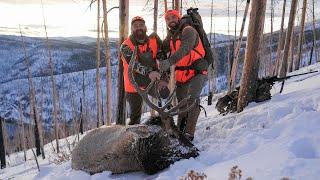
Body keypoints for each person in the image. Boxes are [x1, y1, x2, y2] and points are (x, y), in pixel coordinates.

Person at [159, 10, 208, 141]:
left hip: (197, 70)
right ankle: (180, 131)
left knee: (192, 100)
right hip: (182, 73)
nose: (171, 20)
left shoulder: (188, 30)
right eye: (167, 18)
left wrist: (168, 62)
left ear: (179, 17)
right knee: (181, 104)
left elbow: (185, 49)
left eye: (173, 17)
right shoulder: (170, 37)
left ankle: (189, 134)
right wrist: (160, 56)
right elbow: (162, 49)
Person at [120, 16, 169, 125]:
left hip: (151, 81)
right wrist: (149, 72)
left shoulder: (154, 41)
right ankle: (132, 139)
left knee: (165, 96)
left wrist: (164, 78)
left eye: (141, 25)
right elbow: (134, 65)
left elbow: (162, 58)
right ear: (132, 29)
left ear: (145, 27)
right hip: (133, 85)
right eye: (135, 26)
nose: (139, 28)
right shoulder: (125, 46)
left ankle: (168, 127)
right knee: (135, 117)